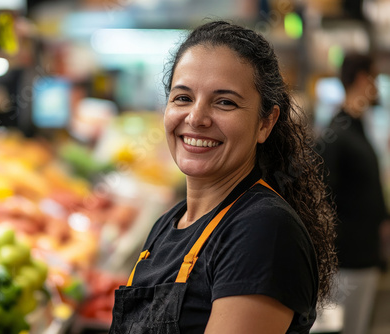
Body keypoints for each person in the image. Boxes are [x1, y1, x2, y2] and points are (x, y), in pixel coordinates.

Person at [109, 20, 337, 334]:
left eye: (225, 102)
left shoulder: (263, 231)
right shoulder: (166, 225)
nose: (196, 118)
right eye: (183, 98)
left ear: (265, 124)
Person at [318, 53, 390, 334]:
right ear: (363, 79)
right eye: (374, 78)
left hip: (363, 258)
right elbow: (322, 197)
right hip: (345, 264)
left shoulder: (356, 128)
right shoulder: (338, 133)